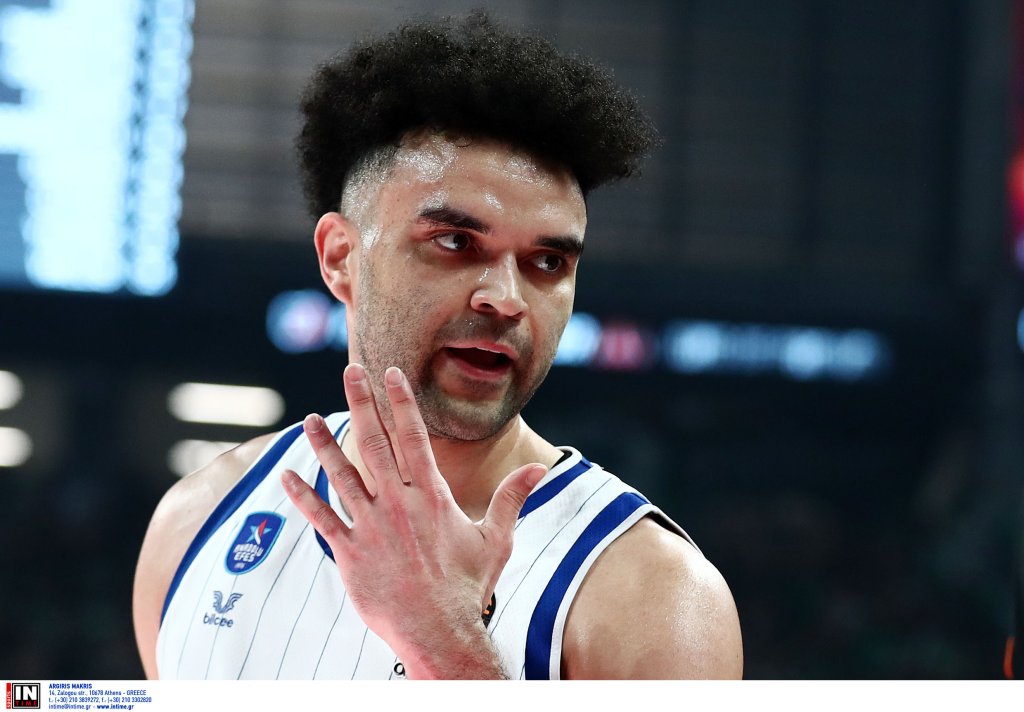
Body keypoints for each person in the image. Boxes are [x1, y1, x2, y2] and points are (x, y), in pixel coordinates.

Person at [132, 11, 743, 680]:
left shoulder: (654, 597)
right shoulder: (197, 519)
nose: (506, 298)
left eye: (547, 262)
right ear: (341, 258)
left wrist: (446, 645)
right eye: (455, 242)